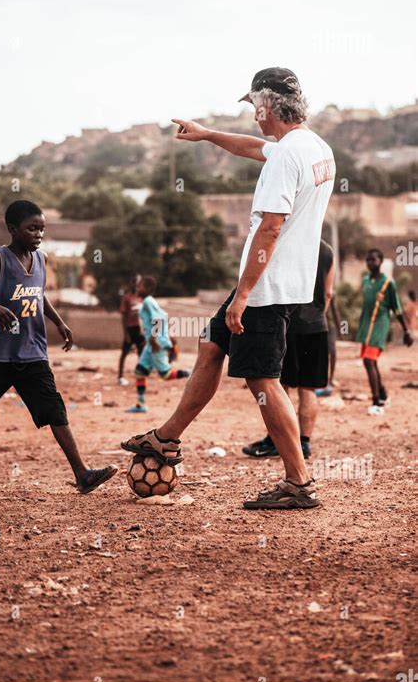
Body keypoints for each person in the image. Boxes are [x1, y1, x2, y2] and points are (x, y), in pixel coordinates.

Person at [121, 66, 335, 510]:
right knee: (210, 345)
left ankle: (298, 482)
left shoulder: (287, 158)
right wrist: (205, 134)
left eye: (254, 105)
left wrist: (242, 296)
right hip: (278, 284)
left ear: (268, 105)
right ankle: (166, 438)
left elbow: (270, 230)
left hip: (264, 288)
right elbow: (256, 148)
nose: (253, 114)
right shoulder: (312, 147)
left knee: (263, 380)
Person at [0, 200, 118, 494]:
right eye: (32, 228)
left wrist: (58, 322)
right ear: (13, 229)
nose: (38, 234)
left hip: (32, 352)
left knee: (54, 410)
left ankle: (82, 475)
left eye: (42, 229)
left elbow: (39, 296)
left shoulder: (40, 259)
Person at [243, 239, 335, 459]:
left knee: (280, 386)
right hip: (317, 326)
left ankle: (275, 440)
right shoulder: (327, 250)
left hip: (289, 325)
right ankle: (304, 443)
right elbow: (329, 293)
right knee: (309, 388)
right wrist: (316, 316)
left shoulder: (289, 242)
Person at [356, 248, 413, 416]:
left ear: (380, 261)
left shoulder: (388, 283)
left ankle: (376, 402)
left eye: (373, 260)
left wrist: (406, 331)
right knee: (371, 362)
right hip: (366, 327)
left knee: (368, 361)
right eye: (368, 260)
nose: (370, 263)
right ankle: (383, 394)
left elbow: (397, 308)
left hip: (380, 325)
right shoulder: (366, 281)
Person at [125, 276, 190, 414]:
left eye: (140, 286)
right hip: (152, 345)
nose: (137, 288)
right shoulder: (147, 303)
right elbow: (162, 318)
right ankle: (140, 405)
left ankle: (191, 374)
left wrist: (154, 339)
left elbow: (159, 319)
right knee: (139, 371)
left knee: (165, 375)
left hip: (157, 344)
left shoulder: (148, 301)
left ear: (148, 289)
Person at [118, 275, 144, 385]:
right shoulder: (127, 298)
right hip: (130, 328)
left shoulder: (142, 298)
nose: (137, 285)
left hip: (140, 329)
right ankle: (120, 377)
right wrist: (126, 334)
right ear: (132, 283)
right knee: (124, 353)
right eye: (135, 282)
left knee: (141, 354)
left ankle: (140, 376)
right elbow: (124, 316)